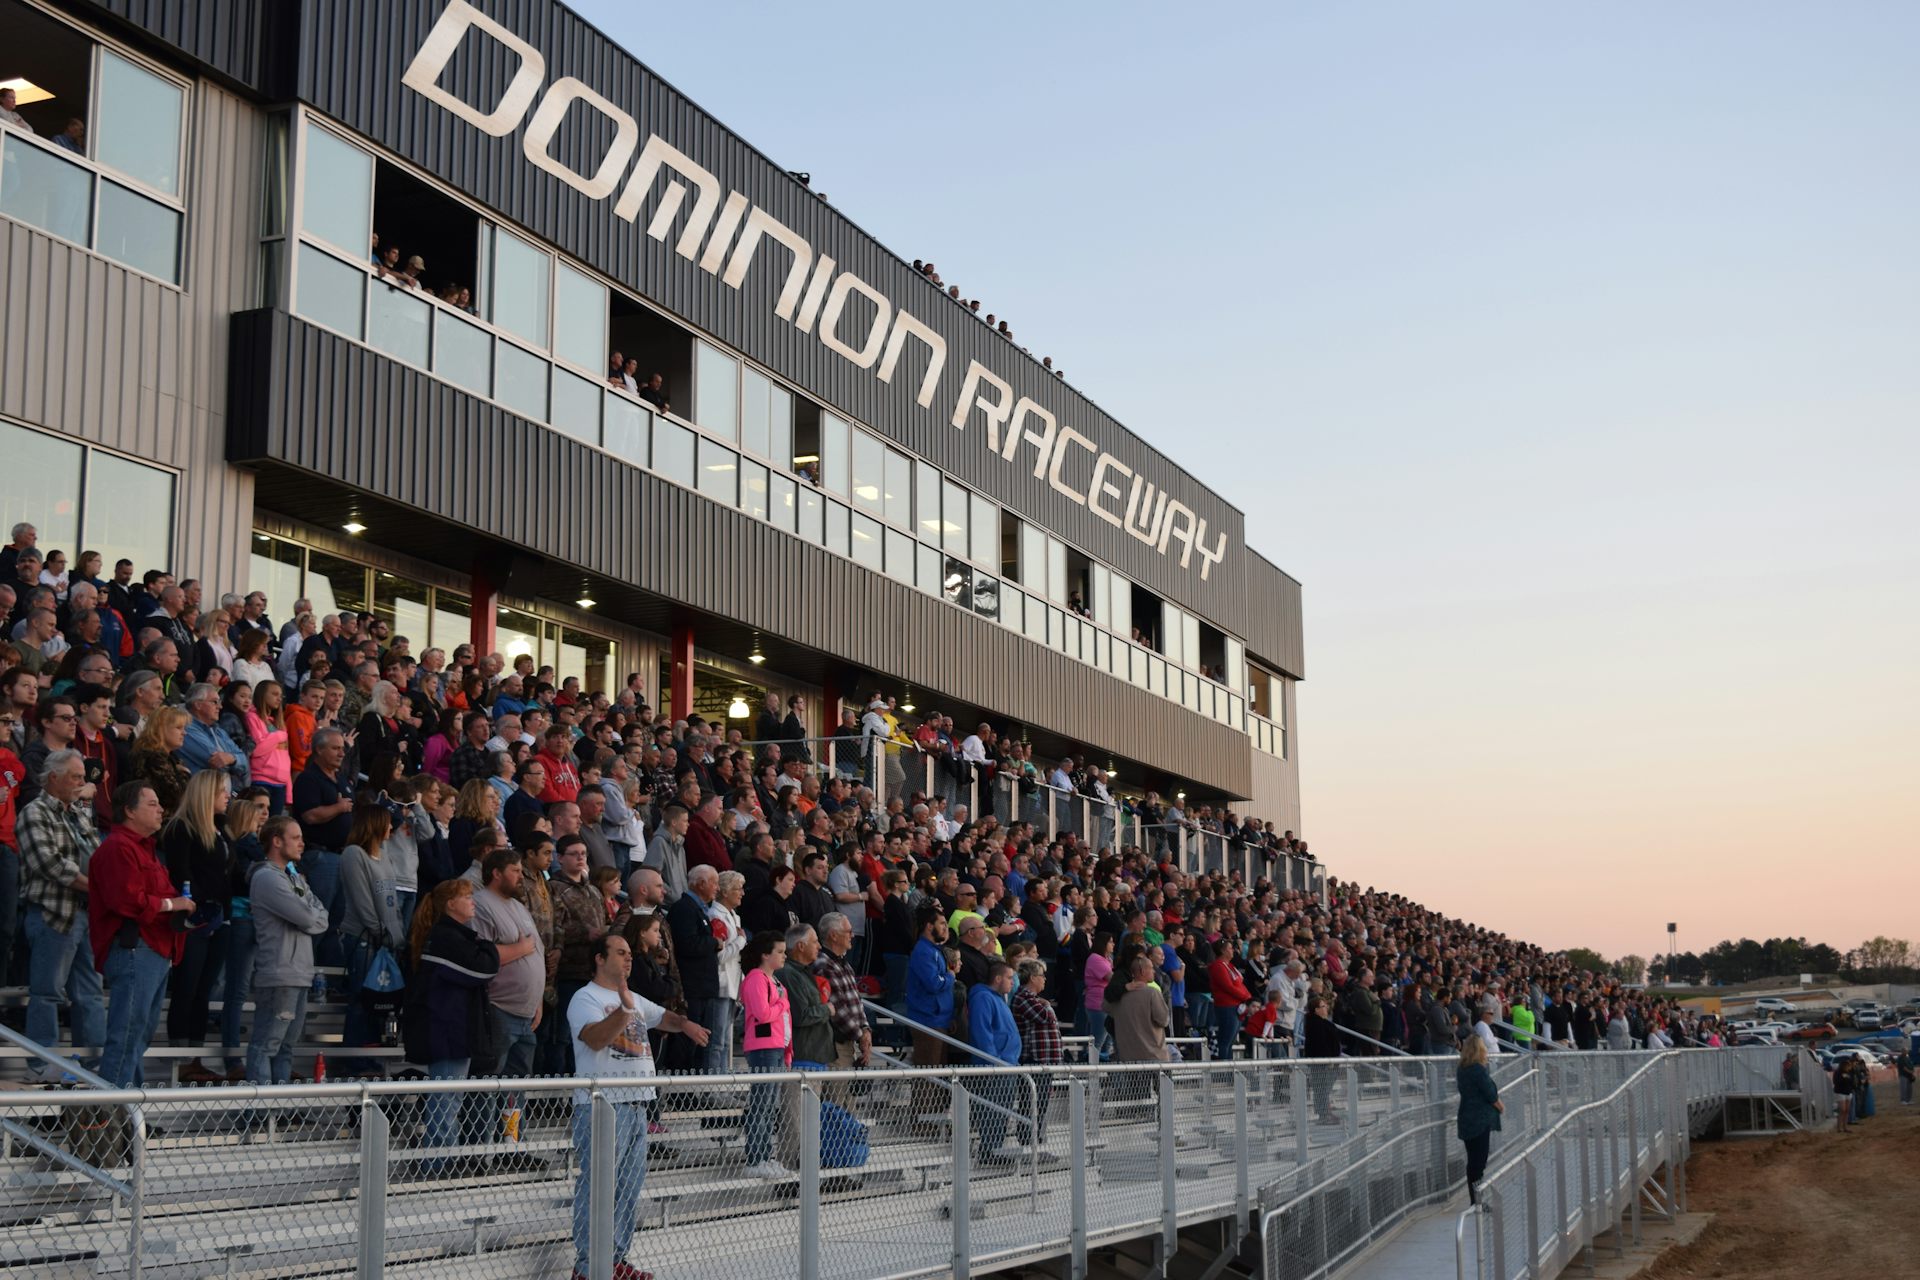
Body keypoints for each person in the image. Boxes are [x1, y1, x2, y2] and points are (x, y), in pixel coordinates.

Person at [566, 932, 708, 1280]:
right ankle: (588, 1266)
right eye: (620, 953)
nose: (628, 959)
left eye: (630, 953)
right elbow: (596, 1038)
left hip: (637, 1104)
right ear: (600, 958)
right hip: (602, 1106)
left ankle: (614, 1259)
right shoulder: (584, 997)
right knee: (598, 1185)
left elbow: (663, 1018)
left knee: (628, 1187)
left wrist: (685, 1024)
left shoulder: (633, 997)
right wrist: (626, 1010)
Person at [89, 781, 191, 1088]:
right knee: (127, 1033)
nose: (161, 809)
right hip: (135, 948)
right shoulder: (118, 848)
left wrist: (177, 907)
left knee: (139, 1034)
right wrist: (174, 904)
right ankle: (113, 1118)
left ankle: (129, 1110)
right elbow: (127, 900)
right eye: (152, 803)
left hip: (155, 949)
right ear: (129, 811)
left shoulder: (143, 850)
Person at [17, 748, 104, 1075]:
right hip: (54, 914)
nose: (82, 783)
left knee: (91, 994)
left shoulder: (79, 813)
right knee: (47, 992)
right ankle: (41, 1064)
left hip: (86, 914)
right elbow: (50, 864)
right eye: (76, 776)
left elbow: (97, 856)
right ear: (54, 777)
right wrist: (98, 889)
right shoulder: (34, 812)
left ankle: (95, 1064)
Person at [404, 879, 499, 1170]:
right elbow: (482, 969)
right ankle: (437, 1163)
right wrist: (487, 946)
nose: (473, 901)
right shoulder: (445, 937)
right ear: (450, 904)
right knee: (445, 1100)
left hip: (456, 1031)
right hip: (447, 1032)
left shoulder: (456, 936)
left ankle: (443, 1160)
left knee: (450, 1100)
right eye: (467, 896)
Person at [467, 847, 547, 1168]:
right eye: (515, 870)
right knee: (488, 1083)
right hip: (498, 1008)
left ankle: (511, 1147)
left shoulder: (518, 906)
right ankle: (478, 1151)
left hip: (526, 1013)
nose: (520, 876)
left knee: (515, 1088)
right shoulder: (482, 905)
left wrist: (538, 998)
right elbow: (483, 956)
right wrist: (521, 948)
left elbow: (536, 953)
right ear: (496, 873)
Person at [158, 769, 235, 1082]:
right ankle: (181, 1059)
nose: (228, 796)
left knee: (204, 991)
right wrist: (202, 904)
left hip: (219, 918)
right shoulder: (181, 828)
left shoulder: (220, 829)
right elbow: (181, 873)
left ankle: (196, 1057)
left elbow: (229, 874)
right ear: (206, 794)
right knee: (187, 988)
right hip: (194, 919)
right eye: (222, 792)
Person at [246, 815, 328, 1085]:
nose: (302, 843)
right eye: (295, 838)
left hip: (299, 974)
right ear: (276, 841)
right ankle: (258, 1114)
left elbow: (322, 916)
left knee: (286, 1048)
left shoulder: (293, 877)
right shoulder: (268, 878)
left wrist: (310, 913)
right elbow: (308, 918)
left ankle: (280, 1113)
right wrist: (310, 914)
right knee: (267, 1045)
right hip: (280, 974)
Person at [339, 801, 405, 1066]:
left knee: (381, 1003)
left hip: (387, 941)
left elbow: (393, 899)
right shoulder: (354, 854)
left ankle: (372, 1058)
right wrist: (379, 931)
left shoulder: (385, 855)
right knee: (361, 1000)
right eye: (387, 821)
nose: (391, 826)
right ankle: (353, 1061)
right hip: (364, 939)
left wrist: (397, 934)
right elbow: (361, 900)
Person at [739, 929, 793, 1180]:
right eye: (779, 952)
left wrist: (788, 1051)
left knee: (770, 1106)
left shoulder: (776, 982)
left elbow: (785, 1020)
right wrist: (782, 1003)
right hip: (763, 1048)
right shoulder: (755, 978)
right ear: (765, 955)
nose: (784, 956)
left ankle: (765, 1154)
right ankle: (755, 1157)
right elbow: (762, 1013)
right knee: (761, 1104)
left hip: (776, 1047)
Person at [968, 961, 1023, 1162]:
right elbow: (982, 1032)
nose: (1013, 982)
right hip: (994, 1067)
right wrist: (994, 1061)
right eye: (1010, 978)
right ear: (998, 979)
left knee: (1002, 1109)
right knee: (992, 1110)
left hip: (1007, 1065)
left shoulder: (999, 999)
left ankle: (995, 1149)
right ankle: (990, 1151)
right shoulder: (983, 998)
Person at [1458, 1032, 1503, 1204]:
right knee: (1479, 1162)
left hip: (1466, 1118)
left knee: (1473, 1161)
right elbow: (1490, 1093)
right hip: (1479, 1120)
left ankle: (1474, 1199)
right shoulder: (1478, 1069)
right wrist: (1500, 1106)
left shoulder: (1462, 1069)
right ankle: (1477, 1200)